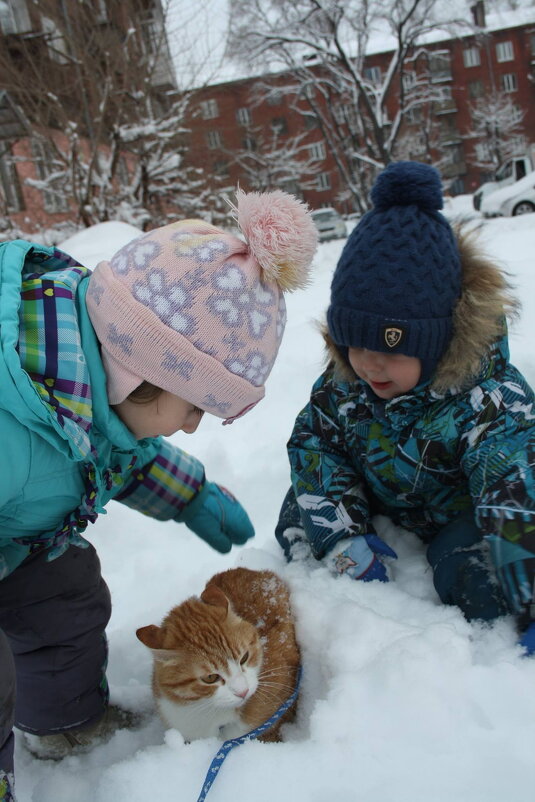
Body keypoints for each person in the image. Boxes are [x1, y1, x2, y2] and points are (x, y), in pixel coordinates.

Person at [0, 188, 317, 797]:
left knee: (68, 595)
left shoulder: (92, 395)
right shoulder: (16, 425)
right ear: (138, 367)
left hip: (18, 538)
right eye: (195, 406)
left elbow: (123, 454)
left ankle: (64, 723)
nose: (194, 424)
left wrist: (191, 494)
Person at [275, 161, 535, 654]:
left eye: (391, 349)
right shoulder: (345, 385)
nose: (369, 365)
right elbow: (315, 444)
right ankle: (329, 569)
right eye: (355, 345)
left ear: (437, 343)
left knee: (477, 574)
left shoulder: (490, 401)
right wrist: (342, 534)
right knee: (300, 506)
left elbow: (514, 490)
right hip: (378, 494)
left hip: (463, 515)